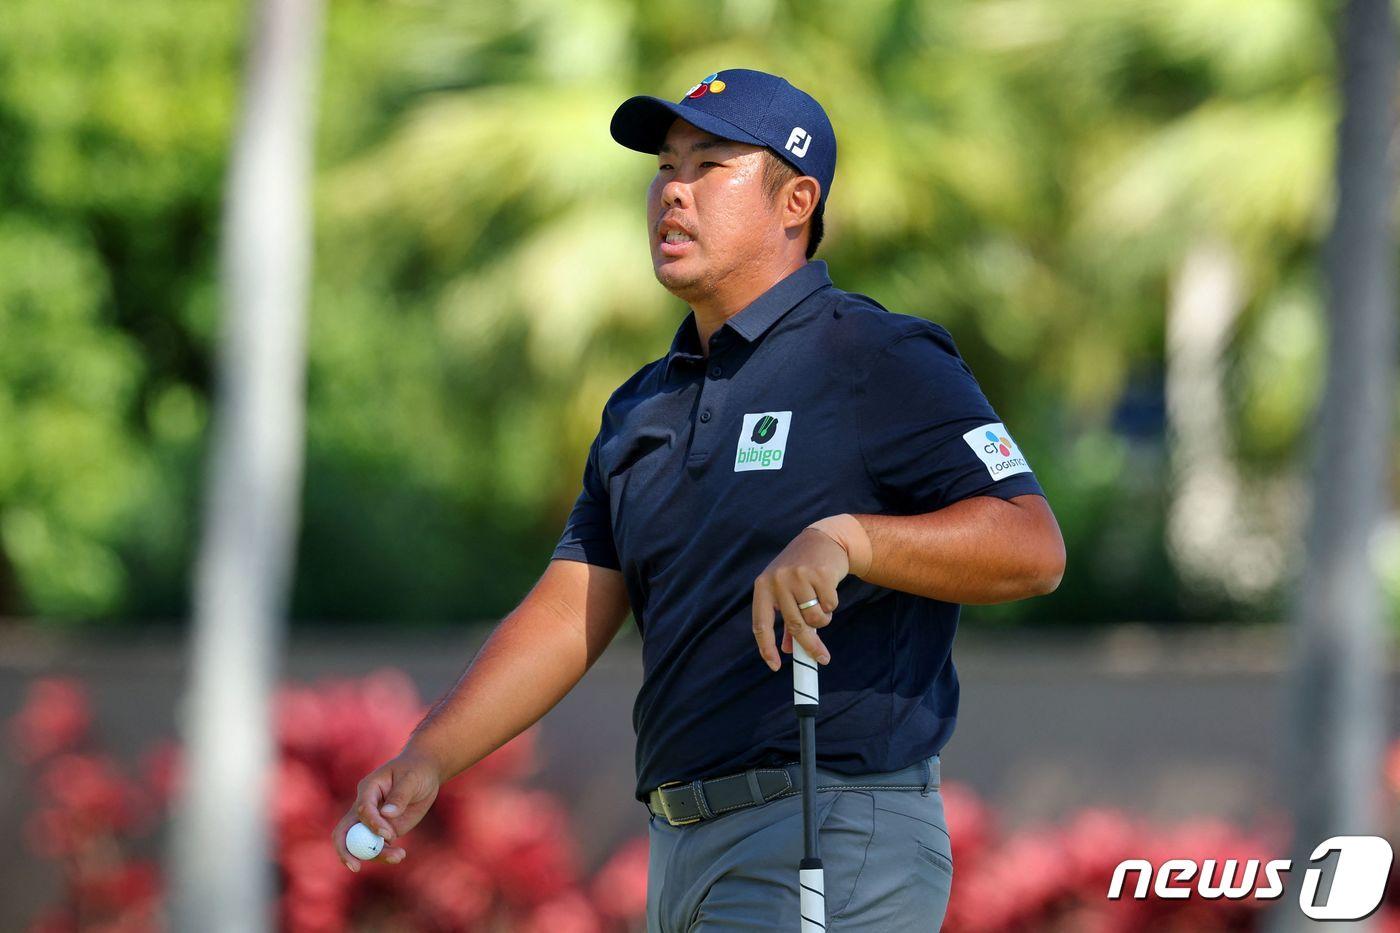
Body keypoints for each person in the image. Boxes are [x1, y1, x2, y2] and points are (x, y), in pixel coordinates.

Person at [332, 68, 1066, 931]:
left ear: (795, 200)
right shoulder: (644, 405)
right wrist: (431, 754)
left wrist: (851, 539)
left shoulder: (878, 357)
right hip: (682, 851)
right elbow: (574, 604)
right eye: (662, 167)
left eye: (708, 164)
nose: (671, 191)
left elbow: (1032, 546)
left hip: (827, 830)